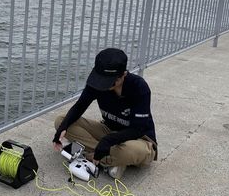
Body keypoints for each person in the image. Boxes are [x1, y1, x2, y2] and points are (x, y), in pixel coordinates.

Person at [52, 48, 157, 179]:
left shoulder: (139, 87)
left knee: (130, 151)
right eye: (100, 79)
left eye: (106, 81)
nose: (102, 85)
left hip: (139, 139)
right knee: (61, 120)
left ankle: (96, 155)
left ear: (123, 75)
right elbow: (80, 106)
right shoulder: (97, 82)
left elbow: (138, 129)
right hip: (109, 130)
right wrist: (63, 128)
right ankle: (108, 159)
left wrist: (108, 141)